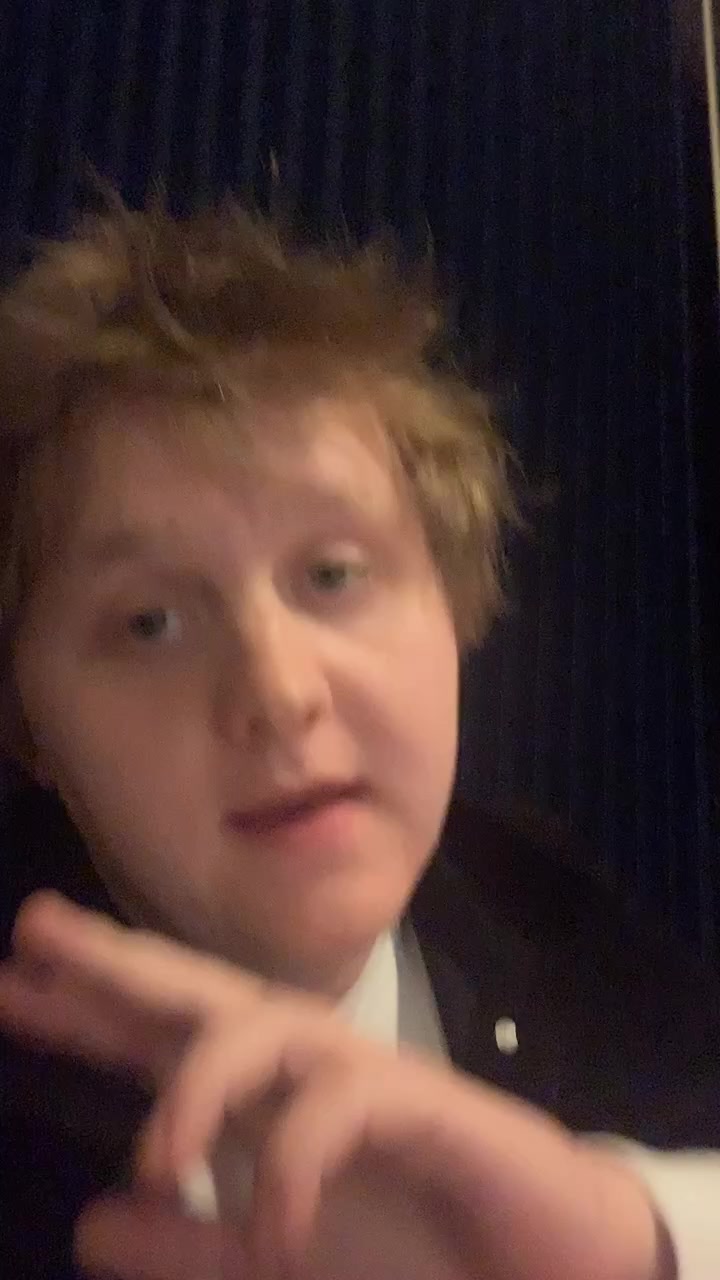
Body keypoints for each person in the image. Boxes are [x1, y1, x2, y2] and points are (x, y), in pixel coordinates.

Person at [0, 200, 718, 1280]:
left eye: (333, 573)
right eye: (149, 622)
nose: (280, 692)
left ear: (454, 603)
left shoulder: (549, 912)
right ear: (29, 725)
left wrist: (640, 1237)